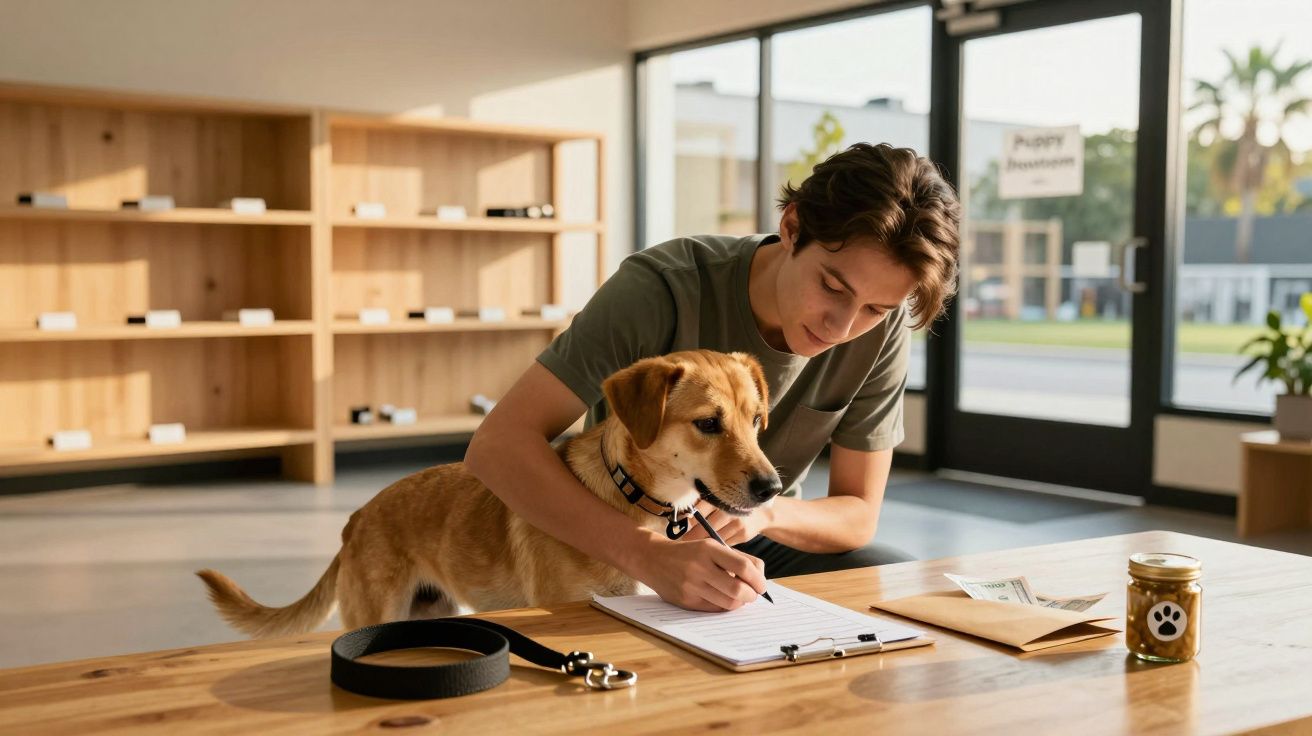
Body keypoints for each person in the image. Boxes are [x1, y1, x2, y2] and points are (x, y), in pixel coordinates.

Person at [466, 142, 961, 612]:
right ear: (792, 226)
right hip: (620, 525)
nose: (843, 326)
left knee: (892, 589)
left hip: (749, 529)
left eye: (875, 307)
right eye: (832, 285)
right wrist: (647, 556)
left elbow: (857, 512)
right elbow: (498, 445)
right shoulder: (657, 288)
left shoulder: (883, 327)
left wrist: (764, 513)